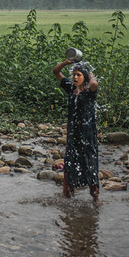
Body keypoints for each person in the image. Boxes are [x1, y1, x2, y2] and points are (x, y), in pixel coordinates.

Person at [52, 57, 102, 205]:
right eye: (73, 74)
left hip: (87, 136)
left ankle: (95, 198)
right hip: (73, 135)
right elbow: (56, 71)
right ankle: (68, 196)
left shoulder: (89, 93)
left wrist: (90, 73)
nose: (74, 77)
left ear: (84, 78)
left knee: (89, 164)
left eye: (78, 75)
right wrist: (67, 63)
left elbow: (94, 83)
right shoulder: (71, 89)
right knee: (70, 164)